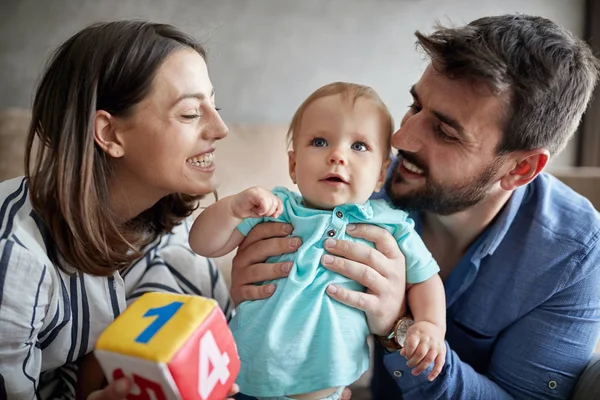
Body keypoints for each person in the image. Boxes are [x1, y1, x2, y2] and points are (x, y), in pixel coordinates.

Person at [229, 14, 600, 400]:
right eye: (415, 104)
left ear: (520, 168)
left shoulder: (573, 257)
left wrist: (398, 328)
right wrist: (250, 292)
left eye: (444, 131)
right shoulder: (359, 193)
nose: (401, 138)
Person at [0, 20, 239, 399]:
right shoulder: (15, 257)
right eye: (192, 113)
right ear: (109, 134)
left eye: (215, 105)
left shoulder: (175, 238)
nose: (221, 128)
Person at [189, 82, 446, 399]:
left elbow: (425, 279)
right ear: (293, 165)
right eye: (320, 141)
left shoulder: (390, 225)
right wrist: (231, 209)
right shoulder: (275, 208)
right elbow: (203, 244)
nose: (337, 156)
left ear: (381, 174)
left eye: (359, 146)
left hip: (321, 385)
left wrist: (431, 325)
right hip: (241, 375)